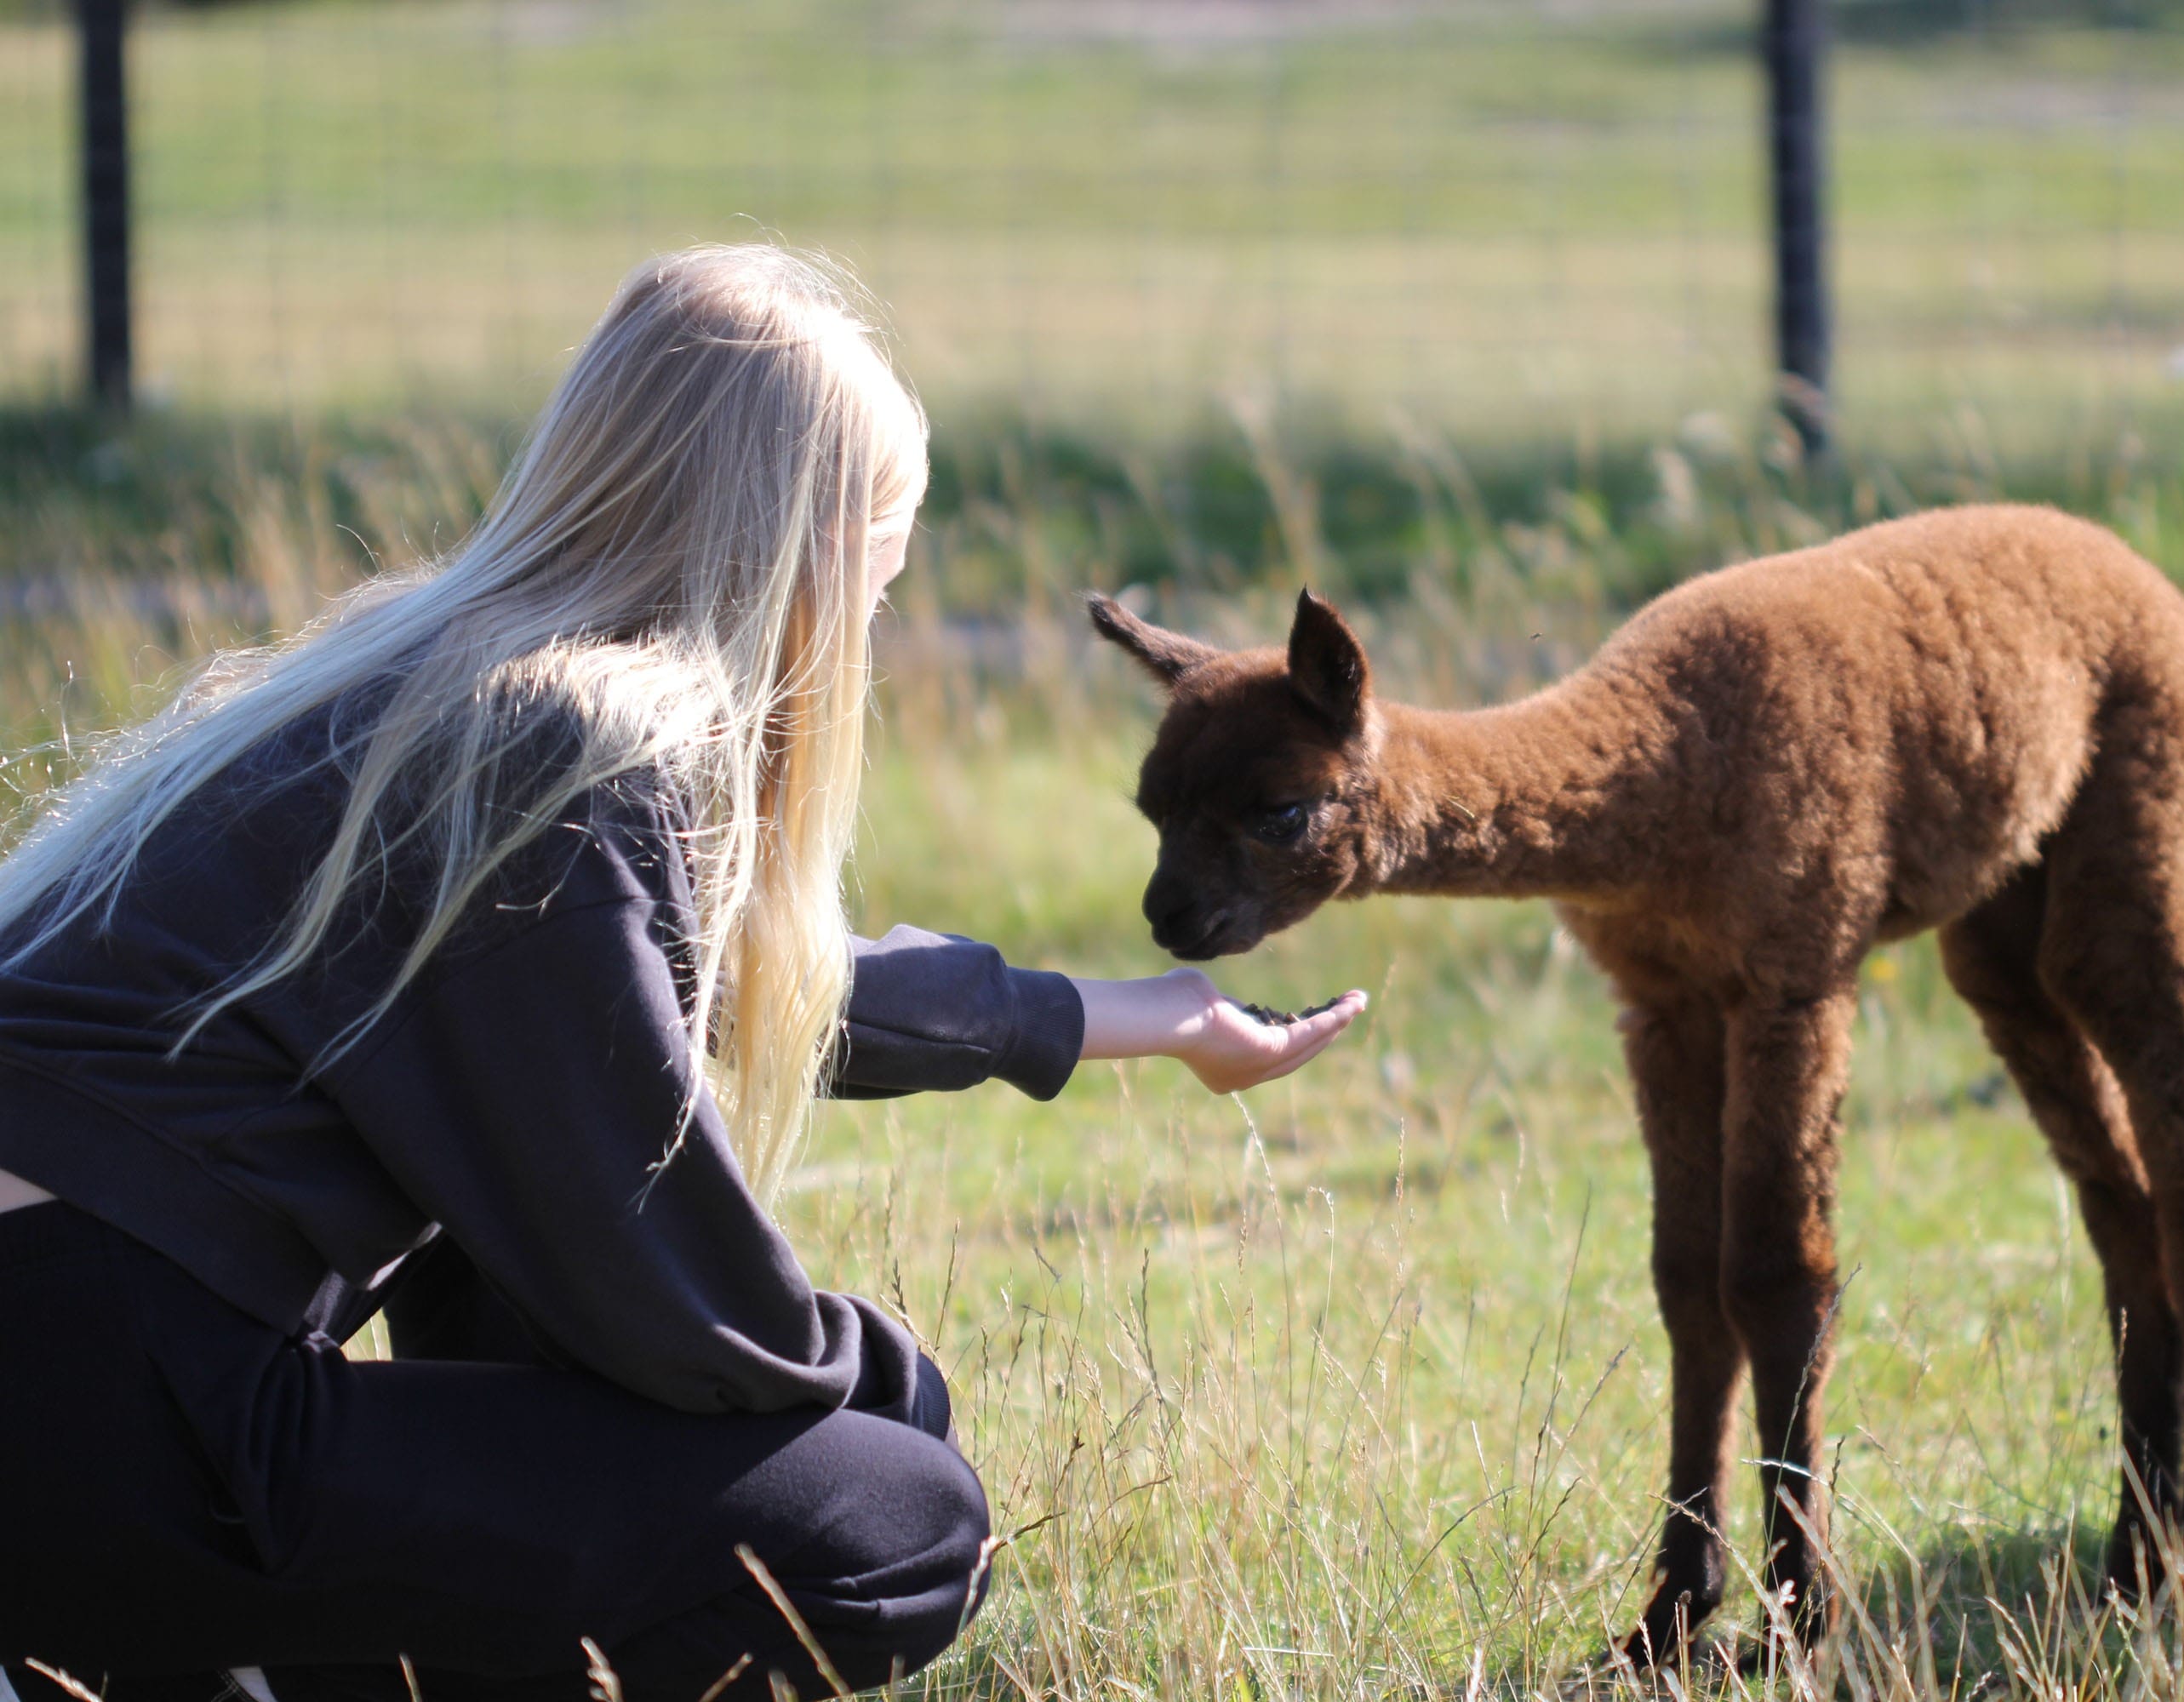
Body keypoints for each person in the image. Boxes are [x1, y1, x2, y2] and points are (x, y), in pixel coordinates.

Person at [0, 246, 1365, 1702]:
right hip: (111, 1406)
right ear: (803, 557)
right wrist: (884, 1383)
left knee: (553, 1283)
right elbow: (646, 1262)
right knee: (893, 1528)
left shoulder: (427, 688)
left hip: (87, 1378)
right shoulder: (553, 758)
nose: (866, 635)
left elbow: (717, 975)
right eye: (878, 584)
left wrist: (1131, 1019)